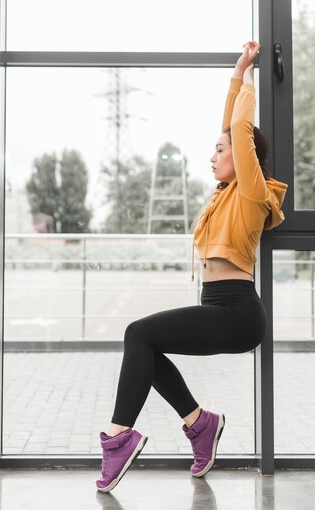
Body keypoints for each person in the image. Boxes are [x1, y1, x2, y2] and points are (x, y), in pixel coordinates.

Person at [96, 41, 288, 493]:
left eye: (219, 150)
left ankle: (119, 436)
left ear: (245, 159)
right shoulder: (225, 195)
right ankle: (200, 424)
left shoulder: (252, 193)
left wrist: (249, 77)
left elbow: (239, 128)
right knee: (145, 344)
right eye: (214, 148)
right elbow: (232, 126)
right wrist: (237, 73)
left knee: (138, 333)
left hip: (238, 314)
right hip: (221, 307)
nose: (212, 155)